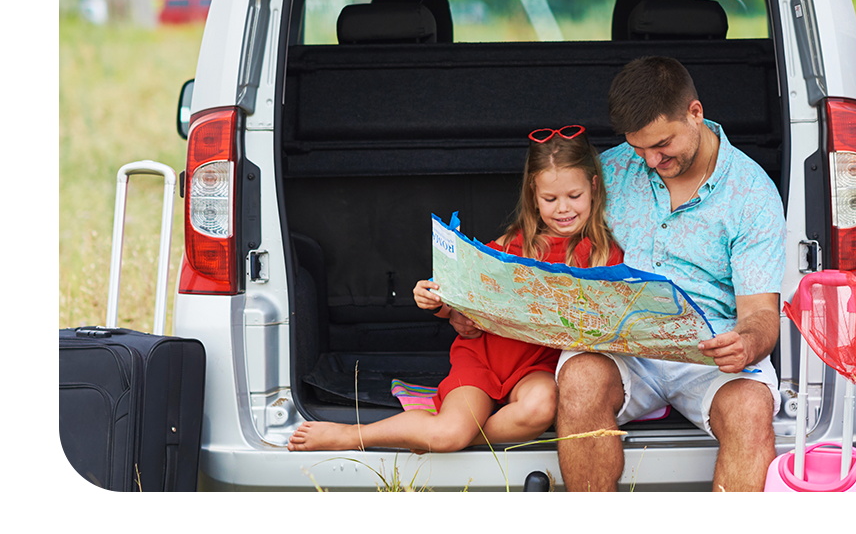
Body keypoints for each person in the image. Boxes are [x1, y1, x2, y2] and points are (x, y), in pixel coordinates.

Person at [286, 126, 623, 454]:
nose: (563, 208)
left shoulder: (604, 254)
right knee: (448, 433)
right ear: (533, 197)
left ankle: (443, 437)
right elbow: (463, 300)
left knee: (540, 409)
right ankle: (354, 435)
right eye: (550, 198)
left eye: (574, 196)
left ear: (594, 187)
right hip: (483, 357)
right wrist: (440, 304)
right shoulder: (510, 245)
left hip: (538, 368)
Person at [554, 56, 786, 492]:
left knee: (751, 410)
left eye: (662, 145)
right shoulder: (615, 169)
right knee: (580, 379)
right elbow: (546, 239)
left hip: (709, 355)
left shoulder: (752, 193)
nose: (650, 159)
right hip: (621, 346)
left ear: (695, 114)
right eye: (639, 148)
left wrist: (746, 344)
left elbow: (761, 316)